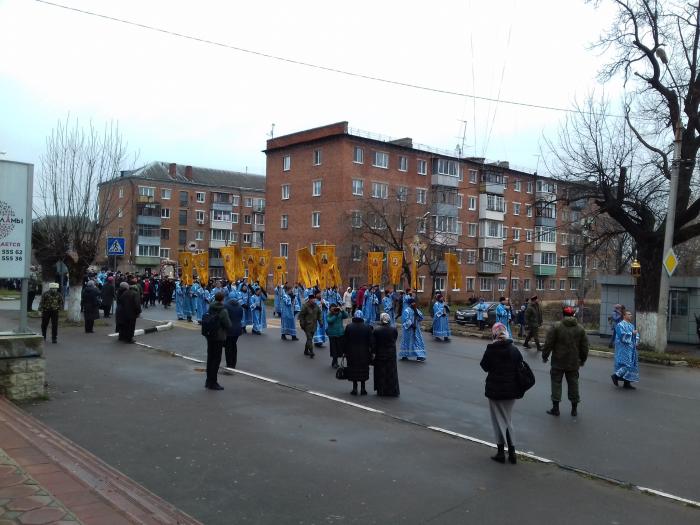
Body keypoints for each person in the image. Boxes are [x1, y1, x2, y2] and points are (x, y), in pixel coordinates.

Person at [480, 322, 522, 464]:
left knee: (497, 421)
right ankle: (512, 453)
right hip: (511, 392)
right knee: (507, 420)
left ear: (494, 333)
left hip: (495, 391)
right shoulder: (514, 350)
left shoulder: (491, 349)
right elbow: (519, 366)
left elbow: (484, 366)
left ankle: (500, 453)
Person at [542, 306, 589, 417]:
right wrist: (582, 359)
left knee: (556, 383)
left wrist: (545, 356)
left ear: (563, 314)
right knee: (573, 383)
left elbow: (549, 343)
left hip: (558, 361)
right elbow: (584, 347)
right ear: (573, 315)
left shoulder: (556, 326)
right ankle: (574, 409)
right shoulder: (580, 328)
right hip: (573, 362)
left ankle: (556, 408)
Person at [204, 292, 232, 390]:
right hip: (219, 337)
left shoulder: (211, 307)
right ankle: (213, 382)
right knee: (216, 360)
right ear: (222, 299)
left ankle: (208, 381)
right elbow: (228, 324)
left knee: (210, 358)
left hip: (209, 335)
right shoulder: (223, 310)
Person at [343, 310, 373, 395]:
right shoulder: (367, 327)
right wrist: (372, 352)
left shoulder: (349, 327)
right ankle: (363, 389)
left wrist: (344, 352)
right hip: (364, 352)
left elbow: (345, 341)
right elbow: (371, 341)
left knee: (353, 370)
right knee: (363, 370)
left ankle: (354, 388)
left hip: (352, 353)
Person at [372, 312, 400, 397]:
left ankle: (381, 390)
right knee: (391, 372)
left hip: (380, 353)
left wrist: (373, 352)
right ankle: (392, 390)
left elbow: (374, 343)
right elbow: (395, 338)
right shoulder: (394, 329)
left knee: (380, 372)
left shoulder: (376, 330)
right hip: (391, 353)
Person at [612, 308, 640, 389]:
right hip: (623, 348)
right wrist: (632, 333)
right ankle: (615, 376)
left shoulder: (631, 325)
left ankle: (627, 383)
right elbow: (622, 336)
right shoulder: (620, 325)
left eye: (631, 314)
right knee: (626, 365)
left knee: (631, 365)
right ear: (624, 316)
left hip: (631, 348)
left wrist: (636, 340)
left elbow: (636, 335)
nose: (630, 316)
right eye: (629, 314)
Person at [399, 297, 426, 362]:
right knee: (407, 342)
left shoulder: (416, 309)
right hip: (408, 330)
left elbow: (421, 318)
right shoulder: (406, 311)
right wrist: (411, 324)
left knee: (418, 341)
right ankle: (405, 355)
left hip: (416, 329)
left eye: (415, 302)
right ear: (410, 303)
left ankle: (420, 356)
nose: (414, 304)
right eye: (413, 303)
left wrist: (416, 312)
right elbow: (405, 321)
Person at [223, 293, 243, 370]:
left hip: (229, 329)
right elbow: (241, 318)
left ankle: (229, 364)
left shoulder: (226, 306)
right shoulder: (240, 307)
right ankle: (233, 363)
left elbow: (225, 318)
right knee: (234, 345)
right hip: (238, 329)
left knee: (228, 347)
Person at [298, 293, 322, 358]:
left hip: (314, 325)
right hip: (307, 325)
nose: (314, 300)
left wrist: (320, 322)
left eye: (314, 299)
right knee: (309, 338)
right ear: (309, 299)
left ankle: (306, 351)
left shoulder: (316, 306)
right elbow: (301, 315)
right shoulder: (305, 306)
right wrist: (302, 324)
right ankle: (311, 352)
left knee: (309, 338)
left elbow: (319, 313)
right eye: (312, 299)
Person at [326, 303, 348, 368]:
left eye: (334, 308)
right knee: (334, 349)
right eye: (332, 309)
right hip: (332, 334)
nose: (333, 310)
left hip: (340, 334)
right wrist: (335, 315)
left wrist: (342, 310)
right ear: (330, 309)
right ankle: (335, 361)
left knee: (339, 349)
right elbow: (329, 321)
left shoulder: (340, 313)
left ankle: (334, 361)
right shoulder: (329, 314)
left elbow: (346, 316)